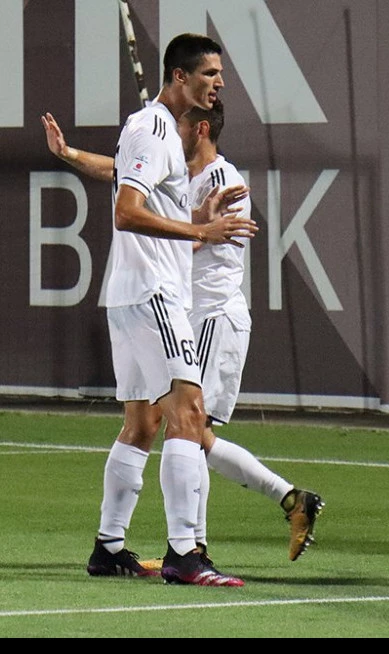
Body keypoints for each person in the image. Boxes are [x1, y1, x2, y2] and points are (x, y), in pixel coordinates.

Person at [41, 103, 324, 564]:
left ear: (201, 128)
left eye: (181, 127)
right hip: (181, 313)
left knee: (191, 429)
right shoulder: (177, 170)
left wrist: (194, 227)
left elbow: (196, 242)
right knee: (168, 428)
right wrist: (69, 153)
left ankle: (204, 543)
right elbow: (120, 171)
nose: (173, 134)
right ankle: (283, 503)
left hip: (212, 316)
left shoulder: (222, 181)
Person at [79, 33, 258, 586]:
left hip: (131, 293)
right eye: (209, 73)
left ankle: (109, 547)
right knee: (189, 412)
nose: (219, 82)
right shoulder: (156, 129)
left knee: (142, 422)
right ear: (179, 76)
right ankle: (185, 554)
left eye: (219, 74)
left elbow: (146, 205)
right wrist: (201, 230)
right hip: (154, 293)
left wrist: (193, 218)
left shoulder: (153, 130)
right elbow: (127, 212)